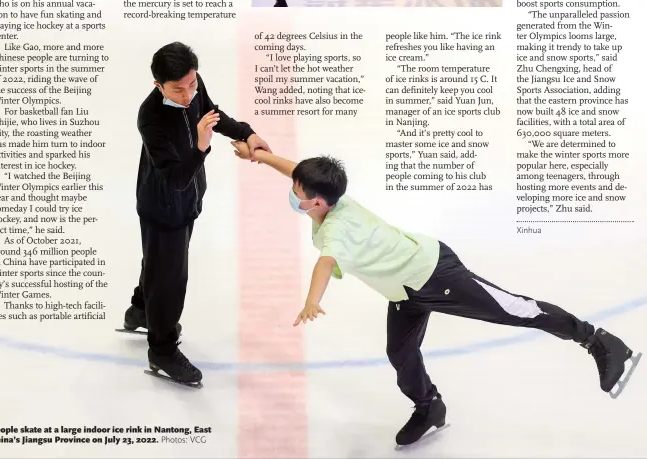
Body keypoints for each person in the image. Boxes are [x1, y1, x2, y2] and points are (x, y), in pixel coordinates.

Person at [230, 140, 641, 446]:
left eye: (298, 192)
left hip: (432, 273)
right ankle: (430, 408)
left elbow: (324, 263)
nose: (294, 193)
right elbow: (297, 170)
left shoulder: (336, 227)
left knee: (514, 309)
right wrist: (262, 157)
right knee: (401, 353)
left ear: (317, 201)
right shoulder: (335, 202)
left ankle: (601, 342)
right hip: (405, 291)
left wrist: (312, 300)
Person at [122, 42, 271, 385]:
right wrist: (202, 147)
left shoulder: (194, 85)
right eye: (179, 88)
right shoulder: (151, 117)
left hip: (188, 201)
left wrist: (247, 132)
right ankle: (162, 350)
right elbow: (173, 179)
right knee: (171, 279)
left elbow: (211, 114)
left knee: (159, 263)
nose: (189, 93)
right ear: (158, 85)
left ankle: (141, 309)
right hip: (163, 207)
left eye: (192, 84)